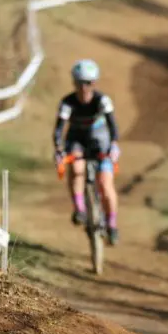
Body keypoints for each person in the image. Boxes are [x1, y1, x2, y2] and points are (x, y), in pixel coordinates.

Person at [53, 59, 121, 245]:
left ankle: (112, 224)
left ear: (95, 83)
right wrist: (58, 149)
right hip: (76, 140)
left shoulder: (102, 101)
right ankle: (80, 209)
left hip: (100, 139)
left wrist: (114, 144)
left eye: (88, 83)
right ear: (74, 83)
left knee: (105, 184)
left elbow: (113, 126)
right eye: (79, 83)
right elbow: (59, 129)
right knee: (76, 167)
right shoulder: (67, 102)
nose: (84, 88)